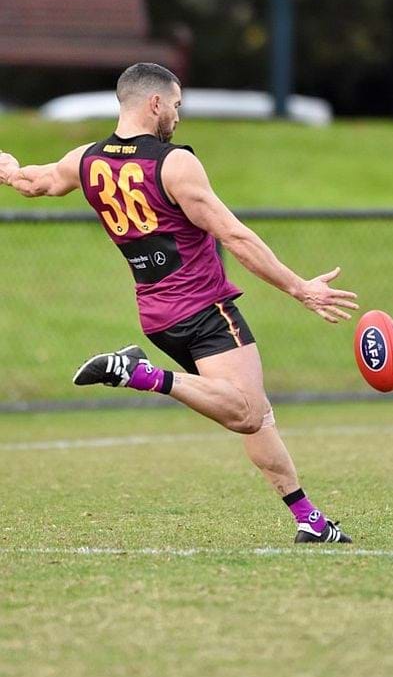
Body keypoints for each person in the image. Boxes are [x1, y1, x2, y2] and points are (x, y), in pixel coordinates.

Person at [0, 62, 361, 544]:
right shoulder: (174, 163)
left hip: (156, 314)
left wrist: (8, 172)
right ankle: (140, 374)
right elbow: (233, 235)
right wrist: (301, 288)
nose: (177, 114)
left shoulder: (86, 159)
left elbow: (35, 183)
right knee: (248, 413)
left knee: (255, 414)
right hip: (204, 308)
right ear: (153, 104)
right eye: (175, 104)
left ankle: (311, 521)